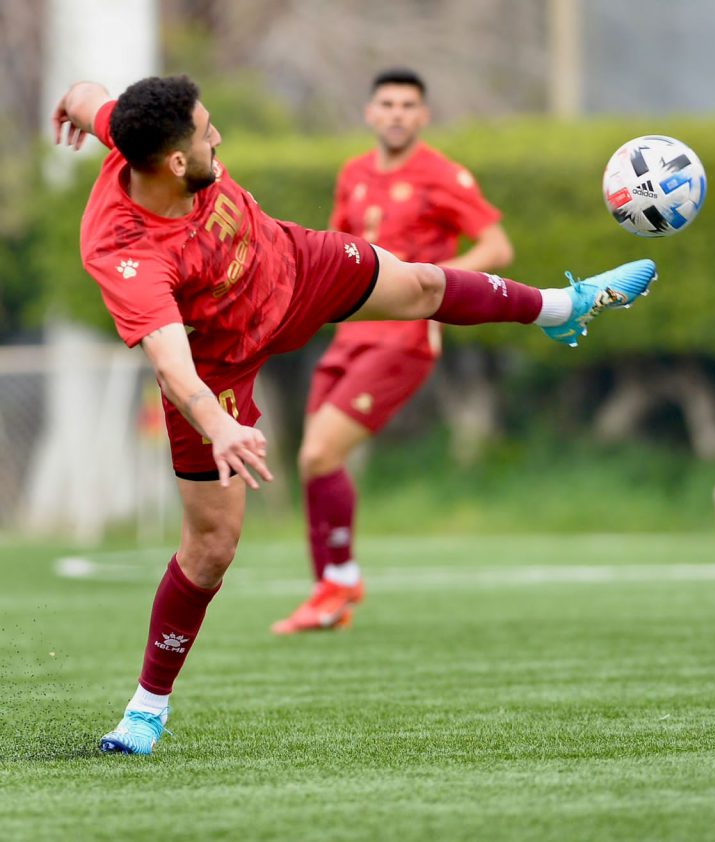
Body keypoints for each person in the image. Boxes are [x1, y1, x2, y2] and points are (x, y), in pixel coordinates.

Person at [53, 74, 656, 755]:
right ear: (173, 163)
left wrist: (70, 103)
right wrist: (219, 426)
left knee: (422, 282)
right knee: (212, 547)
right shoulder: (126, 251)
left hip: (295, 264)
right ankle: (146, 709)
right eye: (205, 132)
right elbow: (171, 365)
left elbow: (84, 94)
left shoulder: (133, 131)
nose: (216, 135)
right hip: (218, 365)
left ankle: (562, 307)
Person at [271, 69, 513, 635]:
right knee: (314, 460)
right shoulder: (353, 174)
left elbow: (497, 247)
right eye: (388, 104)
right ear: (370, 113)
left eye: (408, 105)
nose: (398, 113)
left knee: (319, 453)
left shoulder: (442, 175)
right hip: (350, 334)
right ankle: (330, 589)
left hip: (404, 337)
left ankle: (340, 581)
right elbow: (336, 251)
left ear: (423, 116)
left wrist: (434, 283)